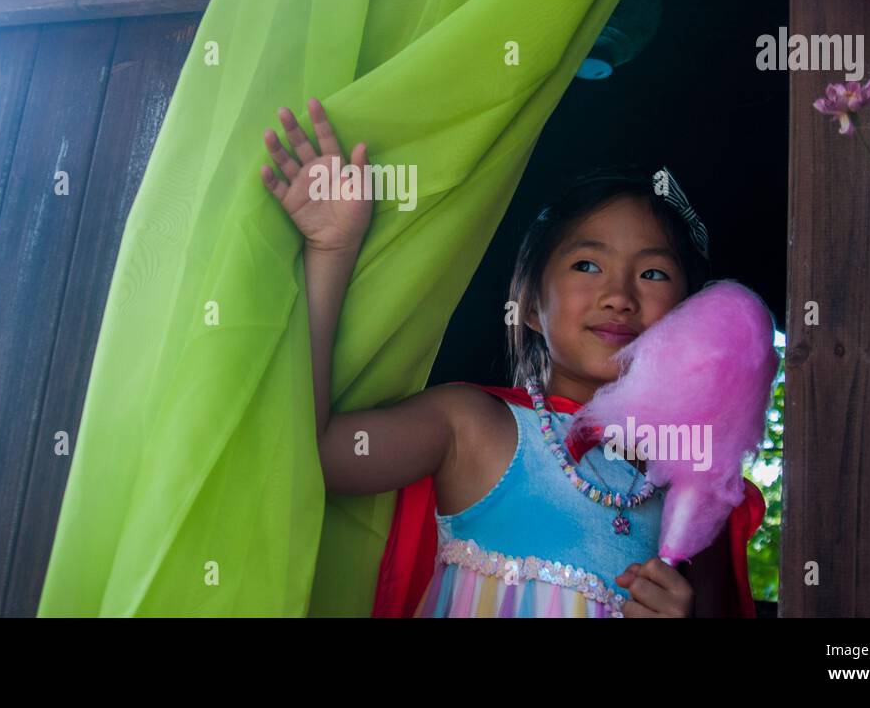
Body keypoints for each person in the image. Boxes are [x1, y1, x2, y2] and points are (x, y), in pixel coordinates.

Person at [260, 97, 745, 618]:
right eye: (587, 264)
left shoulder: (694, 495)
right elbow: (310, 456)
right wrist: (332, 251)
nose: (619, 295)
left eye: (653, 274)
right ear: (532, 307)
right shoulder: (472, 426)